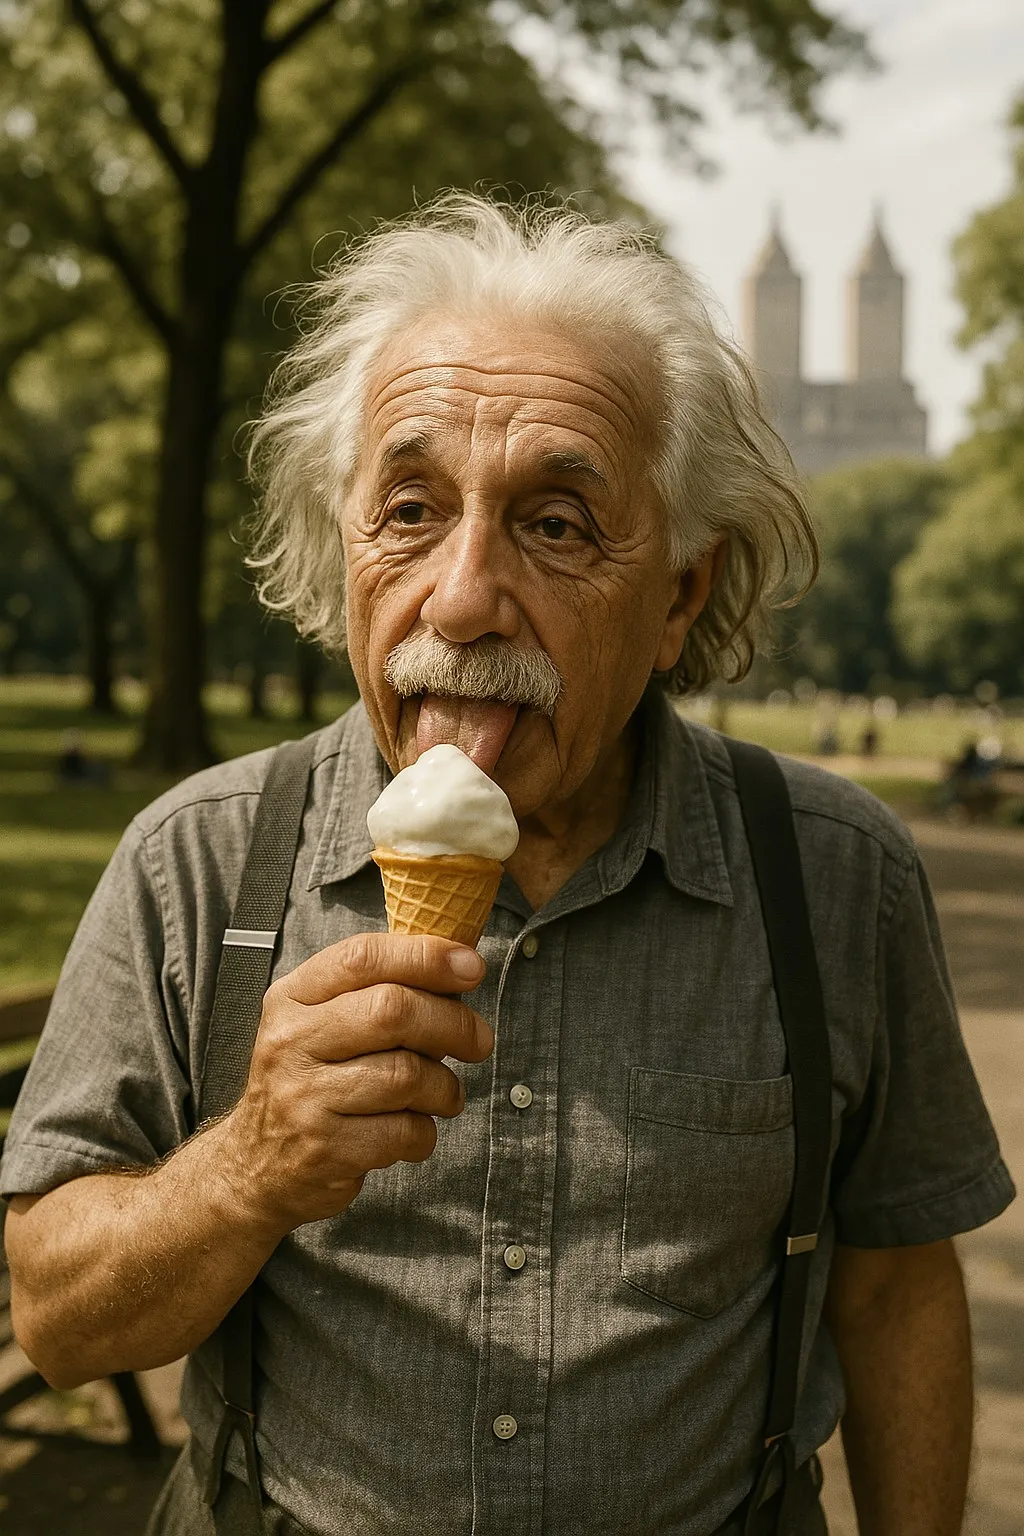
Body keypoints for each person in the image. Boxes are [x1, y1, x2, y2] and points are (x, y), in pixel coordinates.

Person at [2, 196, 1013, 1536]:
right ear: (348, 546)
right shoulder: (197, 862)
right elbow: (57, 1326)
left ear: (679, 594)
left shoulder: (831, 876)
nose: (463, 599)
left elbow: (893, 1291)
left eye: (556, 523)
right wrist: (243, 1166)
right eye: (409, 509)